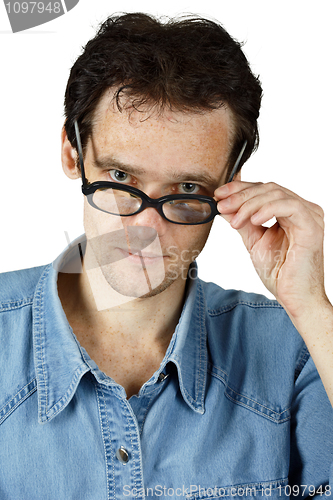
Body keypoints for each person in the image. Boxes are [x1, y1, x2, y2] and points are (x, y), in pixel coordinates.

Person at [0, 12, 332, 499]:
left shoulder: (299, 351)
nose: (146, 229)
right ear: (74, 154)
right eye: (120, 179)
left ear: (231, 183)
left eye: (187, 189)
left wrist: (312, 307)